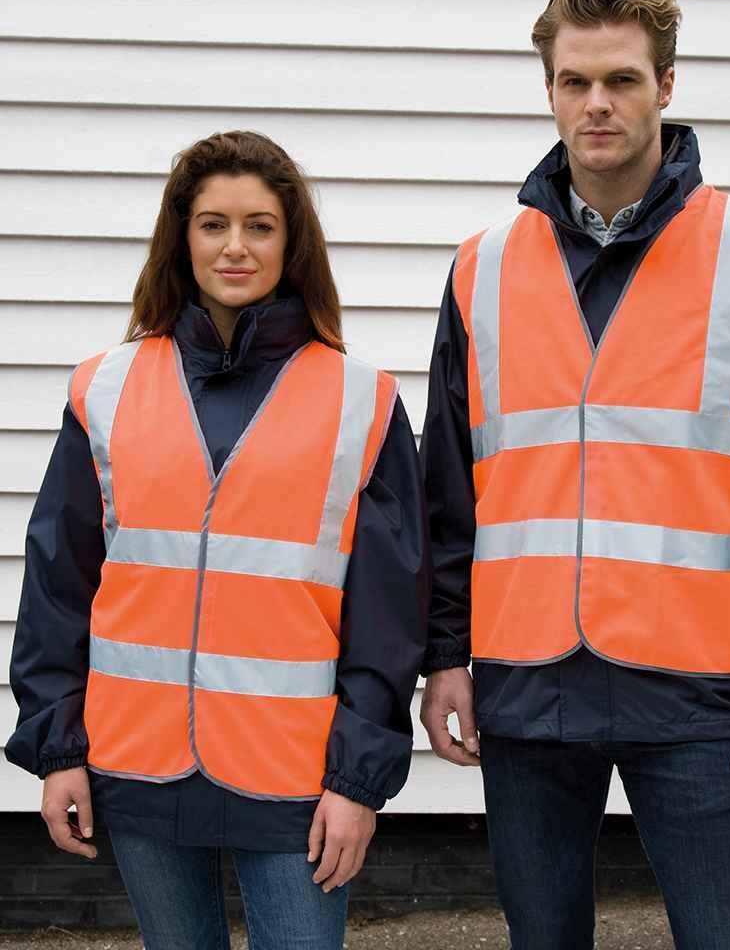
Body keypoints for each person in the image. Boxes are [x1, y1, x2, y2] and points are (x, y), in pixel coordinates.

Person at [419, 0, 730, 950]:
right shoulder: (482, 268)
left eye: (621, 79)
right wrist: (443, 653)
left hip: (695, 689)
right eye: (575, 81)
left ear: (665, 84)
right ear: (549, 90)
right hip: (525, 687)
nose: (597, 103)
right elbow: (448, 490)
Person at [7, 131, 428, 950]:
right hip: (136, 759)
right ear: (183, 238)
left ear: (291, 243)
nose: (236, 246)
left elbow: (389, 617)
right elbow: (59, 584)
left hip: (295, 776)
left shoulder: (361, 400)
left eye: (260, 226)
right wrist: (58, 751)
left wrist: (358, 781)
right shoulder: (105, 388)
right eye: (213, 224)